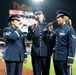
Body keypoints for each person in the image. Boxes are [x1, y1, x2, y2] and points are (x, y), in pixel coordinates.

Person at [27, 8, 53, 75]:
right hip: (35, 54)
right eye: (36, 14)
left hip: (46, 54)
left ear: (43, 15)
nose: (37, 15)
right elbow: (28, 38)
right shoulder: (30, 27)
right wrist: (32, 29)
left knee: (46, 73)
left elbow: (51, 41)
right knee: (36, 73)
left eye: (39, 14)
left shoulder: (48, 25)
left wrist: (50, 32)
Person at [48, 10, 76, 75]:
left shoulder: (70, 29)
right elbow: (50, 41)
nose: (57, 19)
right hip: (56, 59)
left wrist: (70, 59)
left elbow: (72, 46)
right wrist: (50, 31)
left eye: (58, 18)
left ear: (63, 19)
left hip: (65, 59)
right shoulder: (57, 30)